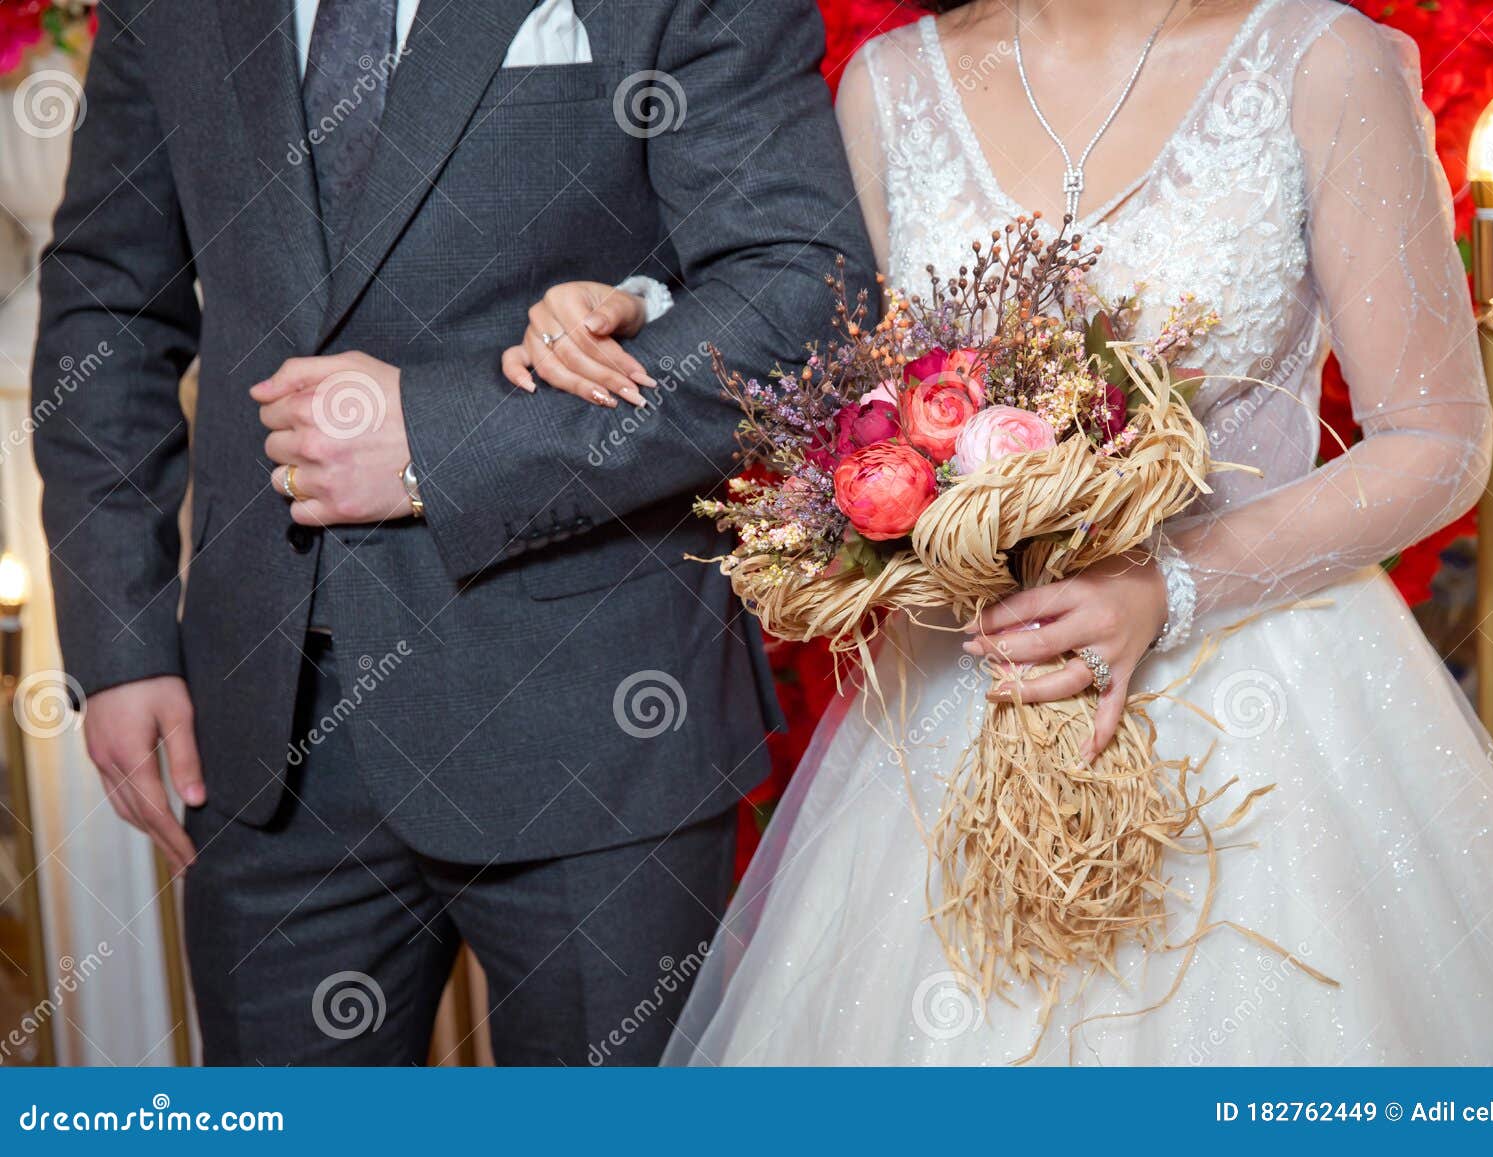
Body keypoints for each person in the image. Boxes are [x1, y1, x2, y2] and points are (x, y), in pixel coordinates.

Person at [527, 0, 1493, 1065]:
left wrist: (1167, 584)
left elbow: (1438, 440)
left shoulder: (1321, 60)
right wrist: (637, 309)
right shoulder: (894, 83)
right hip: (966, 698)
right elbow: (804, 345)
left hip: (1268, 704)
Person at [32, 0, 874, 1065]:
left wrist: (447, 442)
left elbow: (801, 294)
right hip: (259, 734)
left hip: (594, 719)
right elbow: (109, 302)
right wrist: (122, 637)